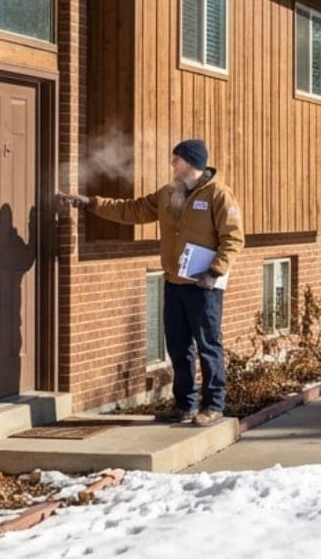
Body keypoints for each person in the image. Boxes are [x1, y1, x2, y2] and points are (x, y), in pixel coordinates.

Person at [60, 138, 243, 426]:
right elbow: (133, 209)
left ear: (192, 162)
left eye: (176, 159)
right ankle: (185, 406)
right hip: (174, 283)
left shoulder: (218, 195)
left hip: (203, 287)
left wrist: (214, 271)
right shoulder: (170, 192)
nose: (172, 163)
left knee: (208, 346)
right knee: (178, 346)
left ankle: (214, 405)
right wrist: (91, 204)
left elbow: (233, 238)